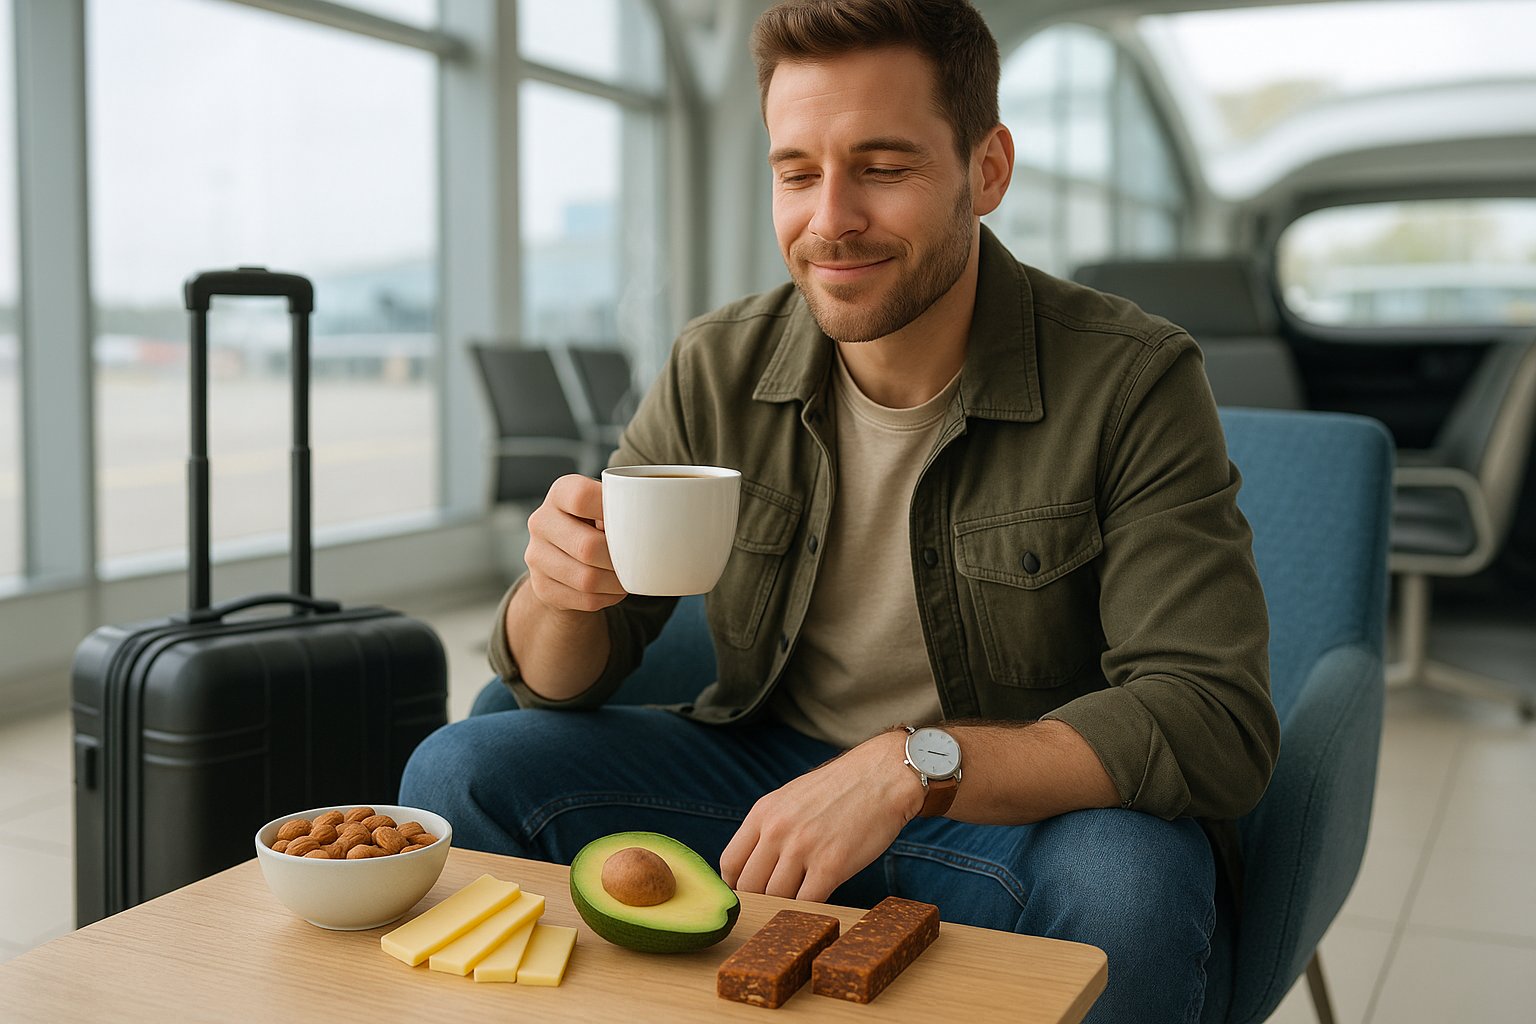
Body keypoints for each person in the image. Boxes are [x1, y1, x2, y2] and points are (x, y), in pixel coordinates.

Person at [401, 2, 1279, 1020]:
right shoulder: (717, 363)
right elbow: (563, 681)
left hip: (1004, 811)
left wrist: (912, 763)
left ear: (987, 170)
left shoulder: (1131, 378)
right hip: (764, 785)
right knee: (461, 766)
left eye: (884, 167)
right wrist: (560, 591)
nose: (829, 219)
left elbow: (1211, 714)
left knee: (1131, 883)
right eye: (797, 172)